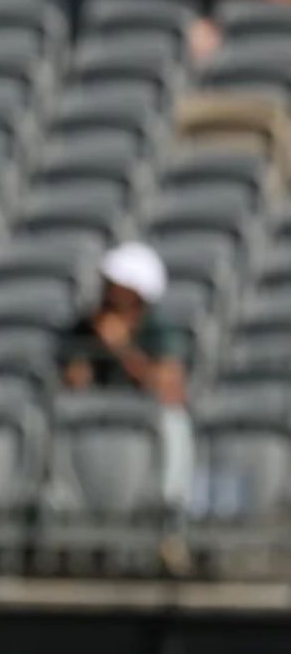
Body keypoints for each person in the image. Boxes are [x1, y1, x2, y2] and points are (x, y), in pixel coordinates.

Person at [59, 241, 193, 568]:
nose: (108, 289)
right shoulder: (85, 326)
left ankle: (167, 521)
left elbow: (171, 390)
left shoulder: (158, 331)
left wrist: (122, 349)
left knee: (173, 424)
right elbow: (71, 379)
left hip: (141, 435)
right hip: (95, 433)